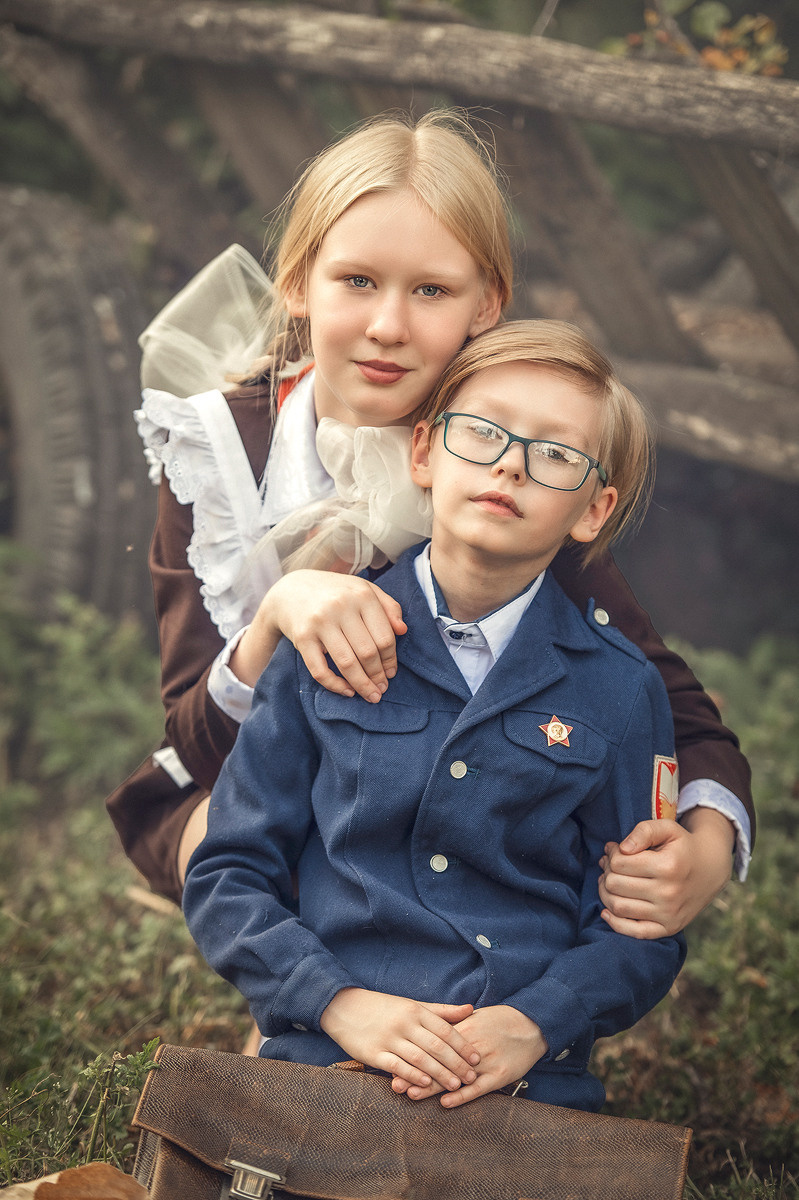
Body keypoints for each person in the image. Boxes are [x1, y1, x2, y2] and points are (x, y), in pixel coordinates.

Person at [106, 109, 752, 938]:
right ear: (298, 282)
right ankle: (304, 1017)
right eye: (357, 281)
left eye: (432, 291)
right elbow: (195, 740)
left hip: (449, 807)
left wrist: (704, 843)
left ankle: (471, 993)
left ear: (486, 304)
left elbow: (670, 701)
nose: (388, 327)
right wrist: (275, 616)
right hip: (268, 787)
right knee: (229, 834)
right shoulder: (218, 452)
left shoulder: (503, 467)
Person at [183, 319, 686, 1112]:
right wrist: (337, 1004)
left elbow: (637, 928)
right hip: (326, 1056)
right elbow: (226, 873)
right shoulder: (328, 645)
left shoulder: (620, 691)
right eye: (481, 434)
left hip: (526, 1082)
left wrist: (530, 1023)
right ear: (423, 454)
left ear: (593, 510)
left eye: (554, 455)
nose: (510, 466)